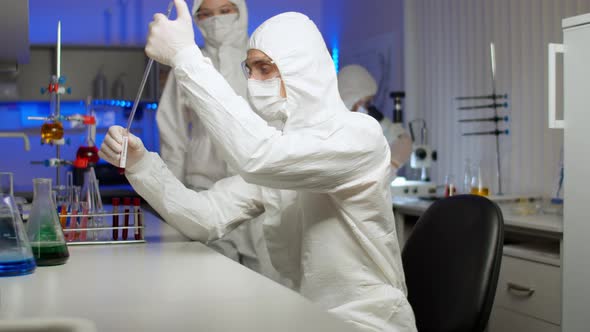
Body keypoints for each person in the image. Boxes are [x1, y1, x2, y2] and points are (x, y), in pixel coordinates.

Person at [100, 1, 417, 330]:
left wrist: (184, 56)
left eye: (265, 68)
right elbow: (207, 217)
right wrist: (141, 165)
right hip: (306, 315)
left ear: (300, 69)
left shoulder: (357, 136)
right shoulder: (285, 150)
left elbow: (258, 157)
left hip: (366, 321)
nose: (253, 81)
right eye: (249, 70)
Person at [157, 0, 258, 267]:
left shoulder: (262, 60)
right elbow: (172, 137)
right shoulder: (187, 63)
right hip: (203, 185)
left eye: (225, 10)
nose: (215, 20)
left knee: (266, 283)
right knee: (211, 278)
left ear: (240, 12)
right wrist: (173, 201)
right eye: (205, 14)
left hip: (259, 187)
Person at [338, 65, 413, 173]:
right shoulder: (333, 133)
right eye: (367, 103)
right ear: (351, 99)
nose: (369, 109)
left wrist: (393, 163)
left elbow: (402, 141)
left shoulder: (361, 128)